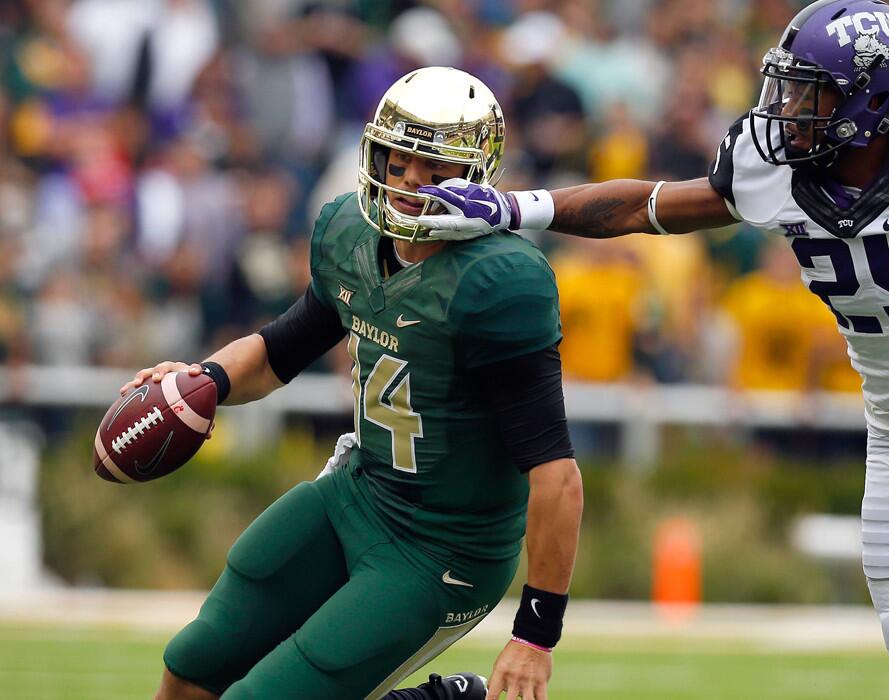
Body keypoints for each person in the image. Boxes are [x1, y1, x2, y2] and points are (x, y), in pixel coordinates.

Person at [413, 2, 889, 698]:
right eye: (785, 87)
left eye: (809, 93)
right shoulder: (771, 168)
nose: (784, 110)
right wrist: (517, 206)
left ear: (871, 101)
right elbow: (648, 207)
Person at [121, 67, 583, 700]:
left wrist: (534, 635)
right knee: (192, 666)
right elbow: (283, 347)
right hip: (356, 494)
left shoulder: (498, 282)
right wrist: (205, 378)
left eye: (435, 166)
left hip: (440, 549)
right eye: (400, 159)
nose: (412, 180)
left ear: (477, 173)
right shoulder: (349, 232)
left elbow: (556, 475)